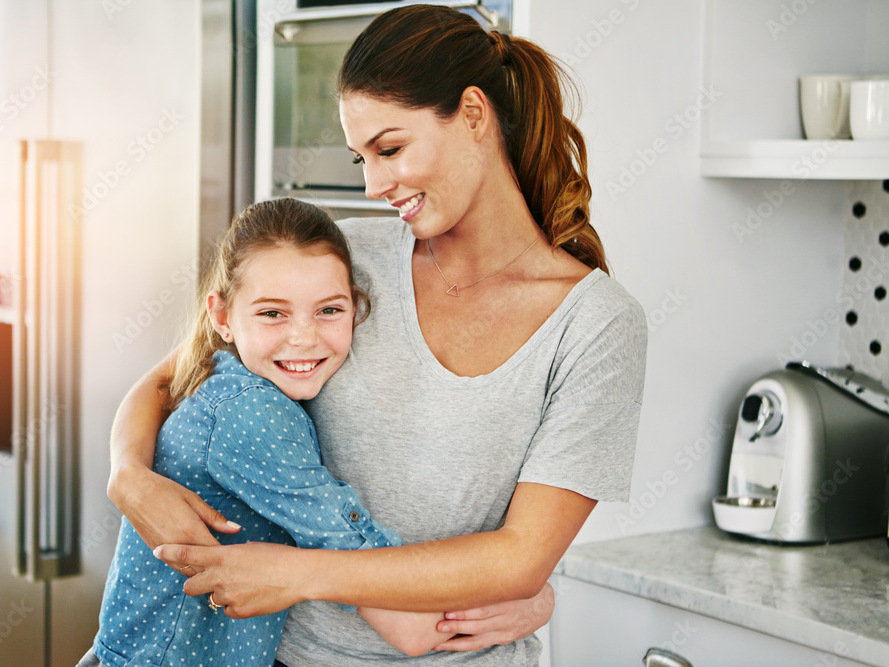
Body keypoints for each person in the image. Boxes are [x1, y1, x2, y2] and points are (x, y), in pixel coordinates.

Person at [110, 4, 648, 665]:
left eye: (390, 149)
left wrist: (298, 572)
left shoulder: (595, 326)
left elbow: (519, 556)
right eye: (361, 157)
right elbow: (177, 374)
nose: (371, 184)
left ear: (474, 115)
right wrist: (127, 476)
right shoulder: (347, 262)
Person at [80, 198, 453, 667]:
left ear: (356, 307)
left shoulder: (226, 377)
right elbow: (411, 626)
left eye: (329, 311)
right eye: (273, 314)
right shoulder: (254, 414)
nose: (303, 337)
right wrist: (525, 603)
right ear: (222, 318)